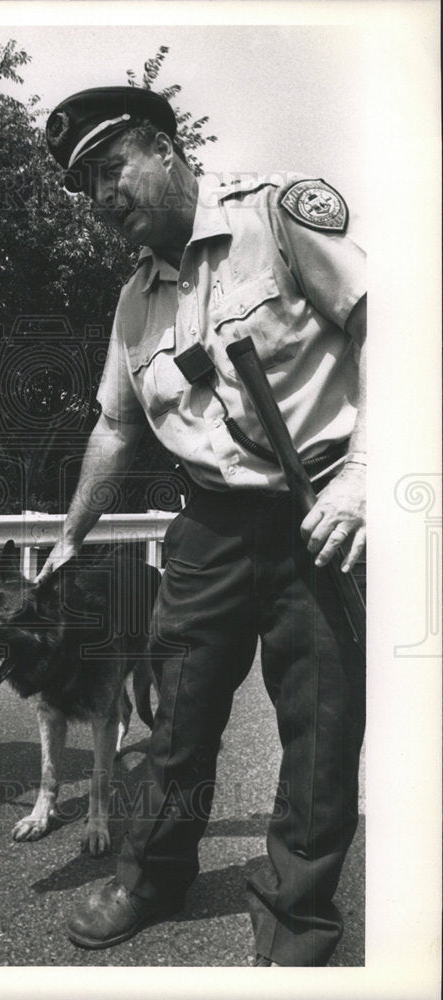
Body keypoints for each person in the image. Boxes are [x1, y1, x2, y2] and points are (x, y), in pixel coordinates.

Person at [40, 87, 366, 966]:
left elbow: (397, 330)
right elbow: (117, 425)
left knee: (318, 730)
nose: (102, 199)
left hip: (317, 508)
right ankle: (153, 877)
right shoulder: (135, 300)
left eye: (112, 170)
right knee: (177, 723)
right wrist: (72, 534)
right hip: (209, 525)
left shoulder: (279, 211)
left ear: (165, 148)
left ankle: (297, 916)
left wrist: (369, 476)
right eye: (86, 189)